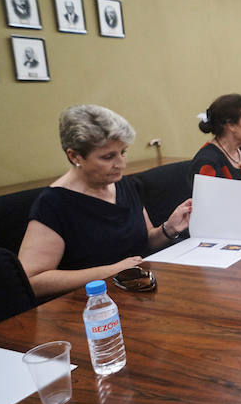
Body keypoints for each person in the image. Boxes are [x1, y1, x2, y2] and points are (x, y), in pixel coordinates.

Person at [18, 105, 192, 301]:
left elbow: (145, 241)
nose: (121, 164)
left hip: (137, 292)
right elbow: (32, 281)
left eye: (123, 152)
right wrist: (110, 271)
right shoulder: (54, 203)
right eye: (108, 157)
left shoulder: (122, 184)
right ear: (74, 156)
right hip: (92, 307)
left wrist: (169, 229)